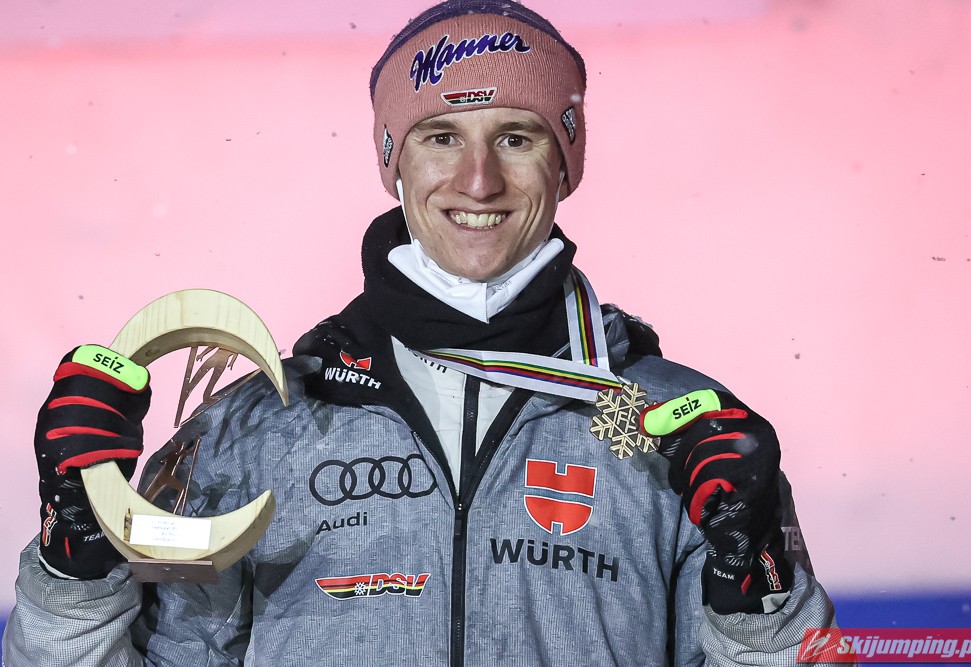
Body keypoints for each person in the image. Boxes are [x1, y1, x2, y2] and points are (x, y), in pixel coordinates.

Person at [3, 1, 846, 664]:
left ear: (565, 163)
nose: (478, 180)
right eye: (441, 137)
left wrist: (755, 582)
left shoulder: (679, 429)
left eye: (516, 137)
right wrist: (75, 554)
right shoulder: (255, 431)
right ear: (393, 162)